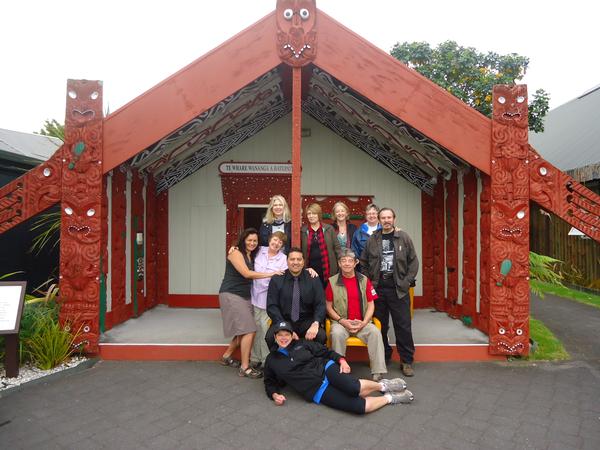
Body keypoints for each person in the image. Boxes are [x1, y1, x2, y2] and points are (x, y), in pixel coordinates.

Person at [264, 321, 414, 414]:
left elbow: (326, 351)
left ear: (292, 335)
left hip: (326, 369)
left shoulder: (303, 343)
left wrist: (341, 360)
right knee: (359, 407)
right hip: (315, 390)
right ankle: (391, 398)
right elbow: (269, 382)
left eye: (286, 334)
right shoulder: (272, 359)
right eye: (280, 335)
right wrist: (274, 394)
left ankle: (383, 386)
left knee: (353, 388)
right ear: (275, 337)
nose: (283, 338)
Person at [359, 208, 419, 377]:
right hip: (378, 290)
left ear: (394, 219)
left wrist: (406, 281)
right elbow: (363, 262)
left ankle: (406, 361)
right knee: (380, 327)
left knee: (403, 325)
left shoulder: (403, 237)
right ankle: (383, 357)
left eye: (389, 217)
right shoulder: (373, 239)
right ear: (379, 219)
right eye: (383, 218)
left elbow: (413, 262)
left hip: (399, 290)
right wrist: (369, 282)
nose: (386, 220)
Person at [218, 228, 284, 379]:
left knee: (243, 330)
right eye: (249, 240)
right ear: (243, 240)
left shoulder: (253, 253)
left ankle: (226, 356)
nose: (252, 243)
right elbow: (247, 274)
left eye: (255, 240)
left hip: (245, 295)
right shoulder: (236, 253)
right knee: (250, 329)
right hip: (232, 293)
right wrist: (271, 273)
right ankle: (245, 367)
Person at [325, 248, 387, 381]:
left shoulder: (364, 280)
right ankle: (338, 371)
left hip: (362, 323)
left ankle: (378, 372)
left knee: (375, 332)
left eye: (350, 261)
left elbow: (371, 304)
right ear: (339, 263)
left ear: (355, 263)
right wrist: (342, 321)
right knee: (336, 334)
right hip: (341, 323)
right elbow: (328, 306)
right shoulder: (332, 282)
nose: (347, 263)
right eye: (343, 261)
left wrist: (364, 322)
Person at [266, 247, 327, 348]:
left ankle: (312, 363)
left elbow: (320, 304)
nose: (295, 262)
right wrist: (284, 328)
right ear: (287, 261)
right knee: (270, 337)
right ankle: (279, 362)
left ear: (303, 262)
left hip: (307, 321)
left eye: (299, 259)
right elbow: (272, 306)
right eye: (292, 259)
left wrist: (316, 323)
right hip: (284, 320)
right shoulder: (277, 279)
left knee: (320, 336)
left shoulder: (313, 278)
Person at [250, 231, 289, 368]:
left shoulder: (283, 259)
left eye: (280, 242)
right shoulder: (259, 250)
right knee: (255, 328)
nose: (276, 243)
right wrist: (234, 248)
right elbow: (245, 253)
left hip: (269, 299)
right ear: (270, 239)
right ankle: (254, 357)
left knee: (265, 329)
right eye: (275, 239)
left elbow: (283, 280)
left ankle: (266, 360)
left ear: (282, 246)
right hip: (254, 296)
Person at [301, 203, 341, 288]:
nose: (311, 216)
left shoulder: (329, 229)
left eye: (314, 213)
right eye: (309, 214)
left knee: (328, 297)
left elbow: (337, 249)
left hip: (328, 270)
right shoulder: (303, 231)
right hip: (310, 270)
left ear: (319, 214)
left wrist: (339, 268)